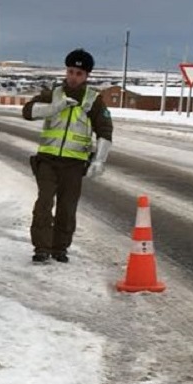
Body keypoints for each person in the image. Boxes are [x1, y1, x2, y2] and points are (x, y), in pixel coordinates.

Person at [21, 48, 113, 264]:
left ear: (87, 76)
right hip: (47, 160)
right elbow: (27, 111)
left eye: (79, 73)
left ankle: (60, 248)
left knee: (67, 207)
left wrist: (99, 160)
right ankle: (41, 248)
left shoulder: (94, 100)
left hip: (74, 164)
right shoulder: (53, 93)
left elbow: (105, 131)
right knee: (43, 203)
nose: (73, 77)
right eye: (70, 71)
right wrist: (53, 108)